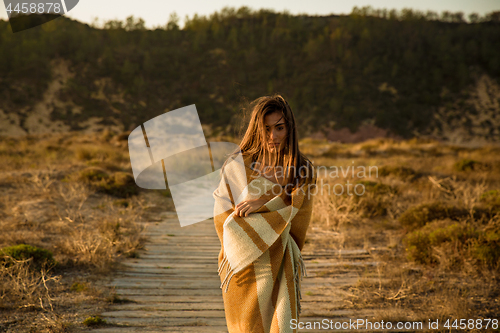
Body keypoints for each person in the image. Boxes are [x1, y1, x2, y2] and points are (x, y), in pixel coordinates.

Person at [212, 94, 317, 333]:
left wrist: (263, 203)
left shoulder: (302, 171)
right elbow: (224, 217)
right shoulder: (238, 166)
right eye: (266, 129)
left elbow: (299, 217)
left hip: (282, 262)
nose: (273, 136)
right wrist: (262, 221)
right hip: (244, 262)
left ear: (289, 128)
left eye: (279, 127)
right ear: (256, 130)